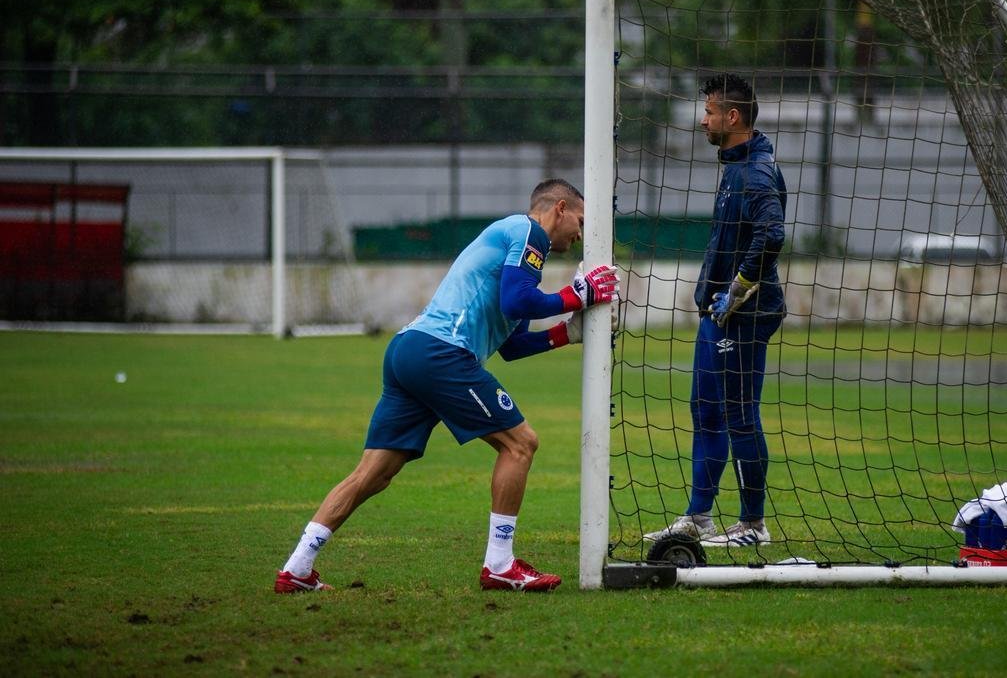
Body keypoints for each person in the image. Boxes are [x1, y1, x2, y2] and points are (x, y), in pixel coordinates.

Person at [275, 179, 618, 593]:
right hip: (440, 353)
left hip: (408, 351)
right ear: (559, 208)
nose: (581, 234)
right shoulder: (529, 233)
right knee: (520, 444)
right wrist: (578, 293)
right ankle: (500, 565)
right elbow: (518, 302)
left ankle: (297, 567)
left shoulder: (518, 258)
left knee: (374, 474)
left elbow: (511, 344)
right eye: (580, 221)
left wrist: (569, 333)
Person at [645, 73, 787, 548]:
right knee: (705, 409)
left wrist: (742, 287)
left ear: (732, 117)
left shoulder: (756, 172)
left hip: (743, 317)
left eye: (708, 112)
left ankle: (753, 525)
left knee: (740, 414)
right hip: (716, 314)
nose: (702, 120)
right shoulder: (735, 166)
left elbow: (772, 235)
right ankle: (699, 516)